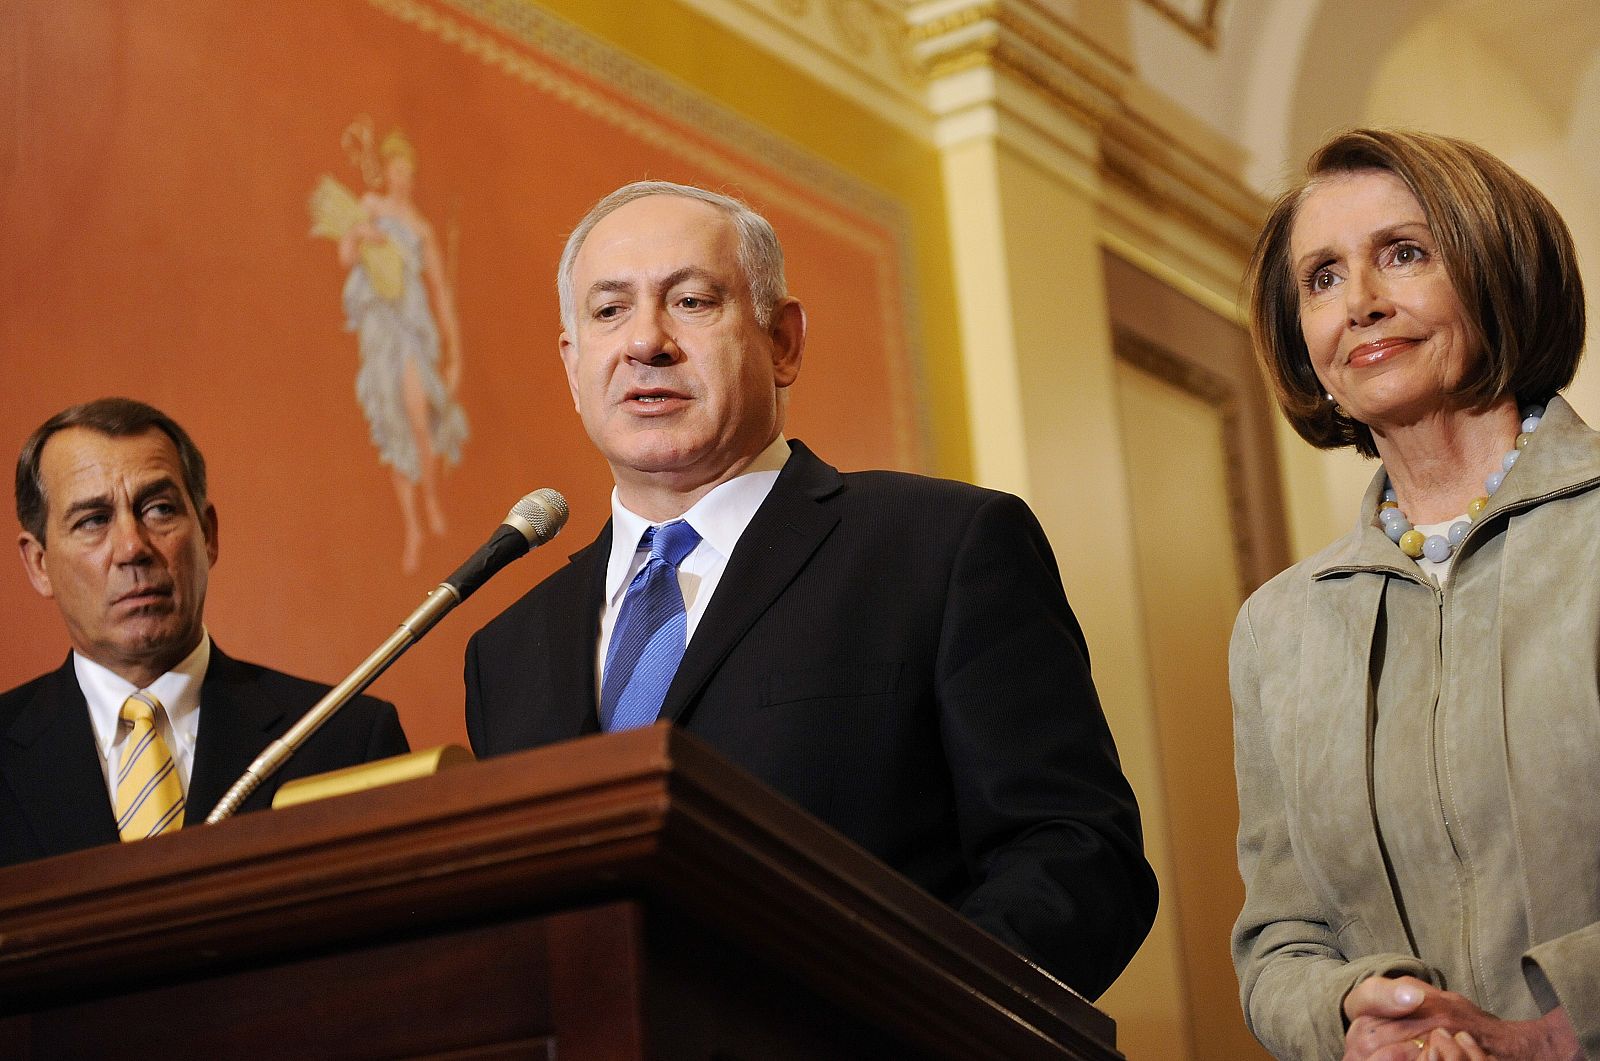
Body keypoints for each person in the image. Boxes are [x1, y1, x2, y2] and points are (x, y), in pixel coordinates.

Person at [464, 180, 1155, 997]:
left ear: (783, 341)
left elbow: (1077, 853)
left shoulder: (940, 547)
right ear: (573, 365)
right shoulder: (505, 650)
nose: (645, 341)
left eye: (690, 300)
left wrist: (896, 1023)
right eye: (608, 312)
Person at [1231, 129, 1596, 1061]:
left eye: (1405, 254)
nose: (1360, 303)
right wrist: (1353, 1010)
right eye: (1321, 277)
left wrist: (1555, 1033)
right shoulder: (1278, 627)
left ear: (1498, 272)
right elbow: (1278, 936)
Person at [1, 398, 409, 867]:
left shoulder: (345, 740)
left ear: (208, 534)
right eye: (93, 521)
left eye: (158, 509)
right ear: (39, 564)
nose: (133, 547)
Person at [337, 126, 470, 575]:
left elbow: (440, 290)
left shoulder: (420, 226)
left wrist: (454, 349)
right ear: (388, 172)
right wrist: (362, 239)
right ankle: (413, 525)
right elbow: (345, 254)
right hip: (380, 326)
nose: (404, 177)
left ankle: (430, 496)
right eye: (398, 168)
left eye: (409, 170)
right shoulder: (371, 209)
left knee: (419, 414)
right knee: (394, 425)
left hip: (413, 327)